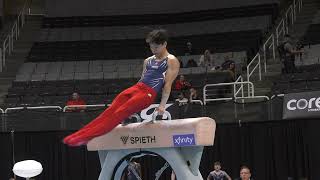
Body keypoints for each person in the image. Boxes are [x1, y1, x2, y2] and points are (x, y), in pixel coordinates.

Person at [63, 29, 180, 146]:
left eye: (156, 47)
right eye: (151, 47)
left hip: (148, 94)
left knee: (118, 114)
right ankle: (77, 135)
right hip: (137, 88)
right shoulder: (148, 61)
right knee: (109, 112)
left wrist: (162, 106)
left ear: (164, 44)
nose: (153, 50)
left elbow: (167, 85)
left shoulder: (171, 61)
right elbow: (142, 79)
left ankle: (85, 138)